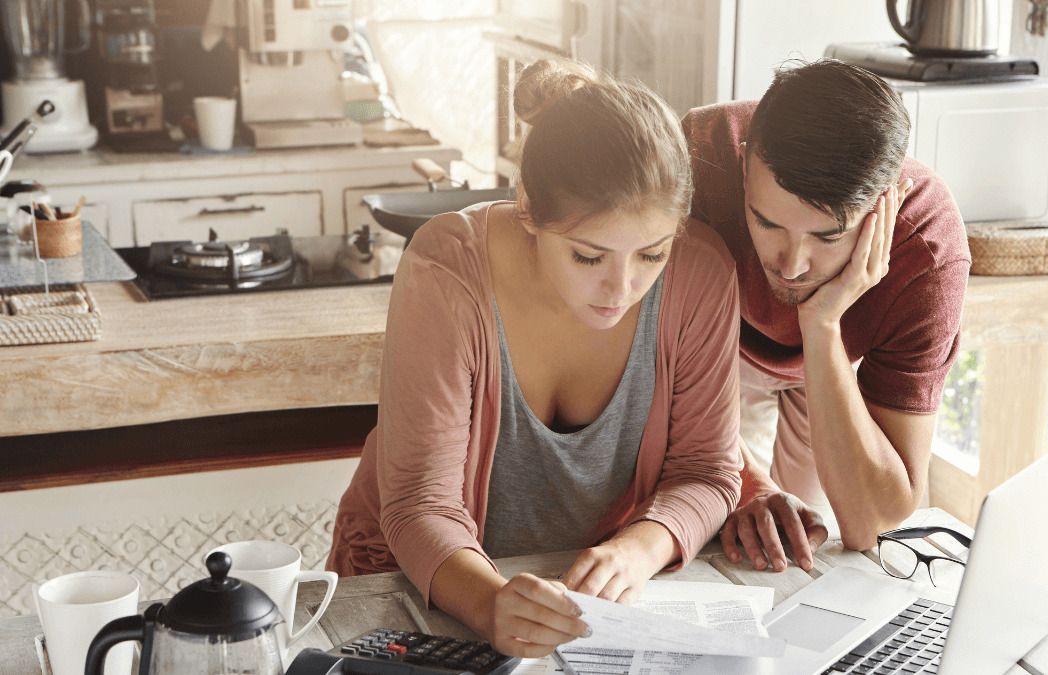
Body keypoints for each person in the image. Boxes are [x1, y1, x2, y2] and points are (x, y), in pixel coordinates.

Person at [328, 60, 743, 659]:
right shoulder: (447, 269)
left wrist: (638, 550)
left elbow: (706, 470)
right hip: (411, 580)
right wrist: (491, 603)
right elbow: (422, 503)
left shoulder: (701, 275)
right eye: (587, 257)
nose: (621, 289)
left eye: (651, 255)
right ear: (528, 209)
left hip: (576, 600)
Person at [682, 59, 971, 572]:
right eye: (767, 222)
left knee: (805, 539)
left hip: (834, 356)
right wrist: (747, 485)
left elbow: (870, 521)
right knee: (724, 516)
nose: (791, 266)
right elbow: (636, 369)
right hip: (705, 344)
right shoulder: (695, 160)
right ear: (745, 164)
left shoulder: (928, 251)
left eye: (827, 236)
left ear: (886, 204)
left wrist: (821, 325)